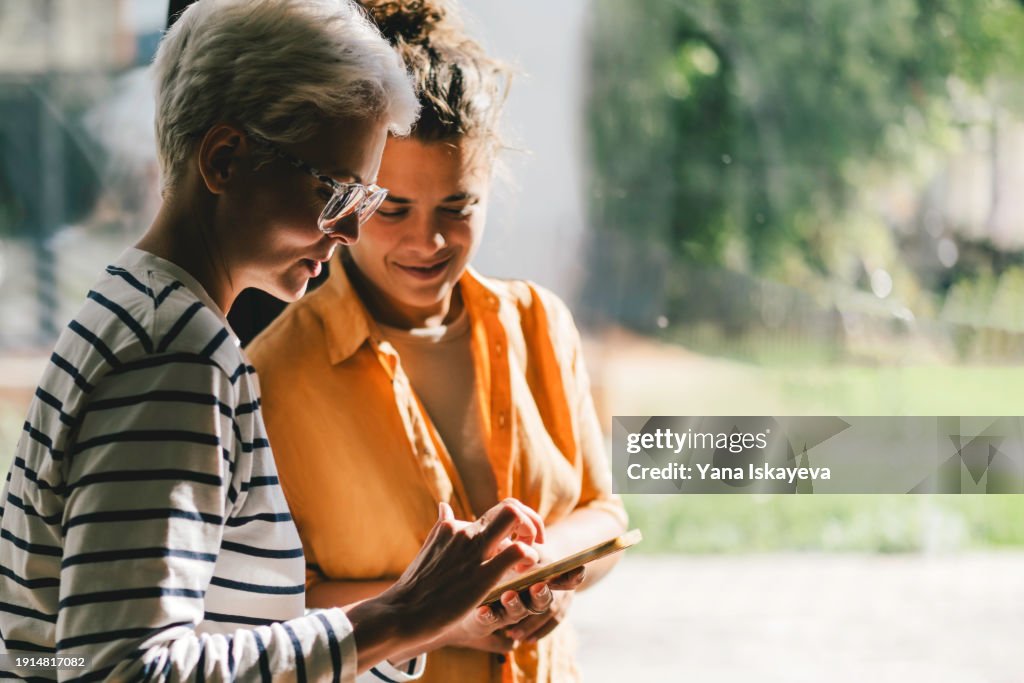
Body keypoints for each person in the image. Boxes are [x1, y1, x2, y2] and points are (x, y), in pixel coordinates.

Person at [0, 1, 575, 680]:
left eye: (360, 201)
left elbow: (223, 627)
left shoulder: (138, 309)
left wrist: (419, 618)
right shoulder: (174, 356)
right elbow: (123, 669)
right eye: (336, 191)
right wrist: (396, 616)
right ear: (225, 159)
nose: (350, 232)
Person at [247, 2, 629, 681]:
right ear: (350, 194)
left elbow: (603, 515)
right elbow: (274, 609)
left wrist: (538, 574)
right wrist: (452, 615)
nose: (429, 242)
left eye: (459, 208)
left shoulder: (541, 322)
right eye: (393, 209)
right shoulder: (272, 373)